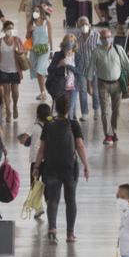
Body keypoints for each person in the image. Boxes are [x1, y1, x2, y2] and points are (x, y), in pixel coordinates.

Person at [36, 95, 90, 244]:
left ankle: (52, 229)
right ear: (69, 108)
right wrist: (86, 165)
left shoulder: (48, 124)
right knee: (70, 200)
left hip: (51, 166)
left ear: (56, 108)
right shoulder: (73, 124)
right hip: (69, 167)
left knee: (53, 200)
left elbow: (42, 148)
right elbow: (79, 146)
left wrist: (36, 166)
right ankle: (70, 234)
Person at [85, 27, 129, 144]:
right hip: (102, 84)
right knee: (105, 111)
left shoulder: (118, 49)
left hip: (117, 84)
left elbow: (127, 64)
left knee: (116, 111)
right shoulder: (96, 51)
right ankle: (108, 135)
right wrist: (89, 85)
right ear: (100, 39)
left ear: (112, 37)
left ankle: (113, 131)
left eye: (108, 37)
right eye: (104, 38)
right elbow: (90, 69)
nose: (106, 39)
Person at [17, 102, 54, 221]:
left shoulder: (34, 125)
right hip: (48, 159)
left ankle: (39, 208)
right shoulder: (52, 124)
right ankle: (50, 207)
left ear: (37, 114)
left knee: (35, 184)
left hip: (35, 160)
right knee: (48, 184)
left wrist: (21, 139)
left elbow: (23, 140)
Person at [72, 16, 101, 121]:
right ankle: (84, 113)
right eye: (81, 25)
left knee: (96, 91)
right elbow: (75, 53)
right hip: (82, 68)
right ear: (78, 26)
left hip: (95, 69)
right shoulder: (77, 38)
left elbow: (101, 51)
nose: (83, 26)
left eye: (85, 24)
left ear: (89, 25)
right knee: (82, 91)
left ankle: (96, 110)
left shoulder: (96, 36)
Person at [45, 35, 78, 109]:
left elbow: (79, 71)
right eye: (68, 41)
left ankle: (71, 119)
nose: (69, 44)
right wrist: (59, 65)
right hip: (60, 85)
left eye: (72, 41)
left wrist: (68, 66)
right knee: (62, 106)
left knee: (71, 108)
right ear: (64, 43)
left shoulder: (76, 56)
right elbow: (50, 70)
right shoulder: (58, 55)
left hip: (73, 85)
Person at [27, 8, 53, 101]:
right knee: (38, 72)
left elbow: (50, 37)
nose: (35, 13)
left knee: (39, 70)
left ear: (41, 12)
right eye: (34, 11)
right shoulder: (31, 23)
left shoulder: (46, 22)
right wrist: (30, 31)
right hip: (34, 50)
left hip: (45, 49)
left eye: (37, 11)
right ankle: (42, 91)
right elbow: (27, 37)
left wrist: (51, 51)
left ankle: (43, 92)